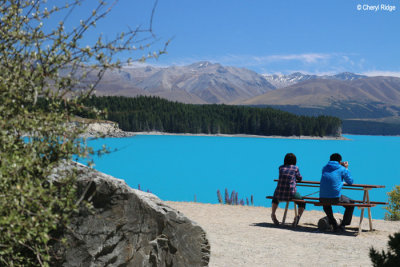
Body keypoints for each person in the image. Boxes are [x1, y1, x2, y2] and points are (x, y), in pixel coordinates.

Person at [319, 153, 354, 232]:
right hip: (335, 197)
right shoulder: (342, 169)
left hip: (322, 198)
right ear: (340, 161)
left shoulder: (324, 168)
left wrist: (340, 164)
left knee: (326, 203)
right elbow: (350, 181)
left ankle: (333, 223)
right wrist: (346, 168)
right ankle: (343, 225)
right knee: (351, 203)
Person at [271, 153, 305, 227]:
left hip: (279, 193)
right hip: (291, 193)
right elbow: (299, 178)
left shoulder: (280, 168)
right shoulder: (295, 168)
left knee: (275, 197)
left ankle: (273, 213)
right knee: (302, 202)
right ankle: (298, 216)